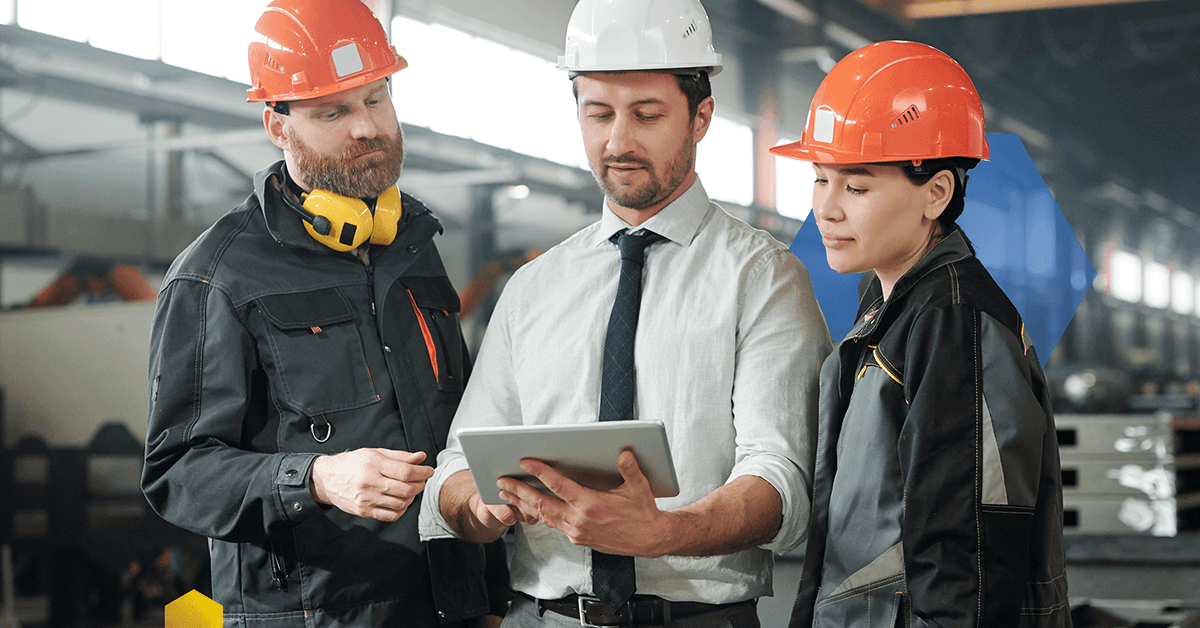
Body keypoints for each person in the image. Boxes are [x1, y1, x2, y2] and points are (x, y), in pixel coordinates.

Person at [419, 0, 831, 626]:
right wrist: (477, 508)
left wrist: (661, 531)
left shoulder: (763, 279)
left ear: (701, 117)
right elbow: (455, 467)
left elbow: (782, 482)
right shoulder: (533, 288)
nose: (617, 141)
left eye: (646, 114)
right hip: (542, 615)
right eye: (598, 113)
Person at [140, 1, 509, 625]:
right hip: (312, 615)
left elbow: (464, 438)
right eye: (331, 111)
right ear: (276, 124)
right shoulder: (217, 274)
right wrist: (312, 478)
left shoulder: (414, 247)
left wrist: (491, 597)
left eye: (375, 98)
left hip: (450, 607)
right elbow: (177, 472)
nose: (365, 128)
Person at [770, 40, 1071, 627]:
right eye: (820, 180)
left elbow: (968, 553)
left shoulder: (953, 321)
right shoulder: (889, 305)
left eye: (855, 187)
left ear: (936, 192)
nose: (826, 210)